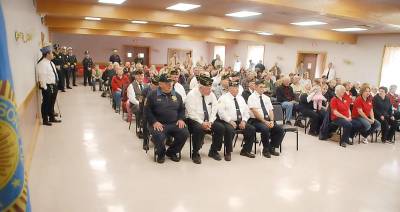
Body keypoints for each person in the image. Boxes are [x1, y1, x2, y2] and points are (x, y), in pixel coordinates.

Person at [145, 73, 189, 163]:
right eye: (166, 83)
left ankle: (172, 152)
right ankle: (160, 154)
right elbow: (147, 111)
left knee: (184, 133)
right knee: (159, 136)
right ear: (160, 84)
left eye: (171, 82)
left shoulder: (177, 95)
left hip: (174, 123)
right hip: (158, 123)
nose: (170, 84)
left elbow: (181, 109)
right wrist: (154, 122)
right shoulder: (152, 95)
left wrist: (181, 119)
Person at [185, 75, 225, 164]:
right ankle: (195, 153)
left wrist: (210, 121)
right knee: (198, 129)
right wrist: (202, 123)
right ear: (200, 87)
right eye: (208, 89)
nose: (210, 91)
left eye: (210, 88)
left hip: (208, 120)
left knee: (220, 128)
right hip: (194, 120)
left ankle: (213, 151)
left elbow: (215, 108)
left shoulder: (210, 94)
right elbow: (191, 113)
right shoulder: (191, 95)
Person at [217, 80, 256, 161]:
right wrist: (230, 121)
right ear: (229, 89)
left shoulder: (240, 98)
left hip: (240, 121)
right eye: (234, 88)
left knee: (251, 129)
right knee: (230, 130)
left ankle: (245, 150)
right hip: (227, 121)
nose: (236, 90)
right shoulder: (223, 98)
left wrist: (244, 121)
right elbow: (221, 112)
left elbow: (247, 111)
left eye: (237, 88)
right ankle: (228, 152)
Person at [248, 80, 284, 157]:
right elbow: (255, 112)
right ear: (256, 87)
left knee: (280, 130)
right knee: (265, 129)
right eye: (261, 87)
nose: (263, 89)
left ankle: (272, 147)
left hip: (267, 120)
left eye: (264, 87)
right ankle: (266, 149)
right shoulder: (251, 97)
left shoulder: (266, 98)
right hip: (255, 120)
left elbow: (270, 110)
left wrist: (271, 121)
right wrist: (264, 121)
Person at [37, 44, 61, 126]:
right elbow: (42, 77)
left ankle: (51, 117)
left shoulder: (51, 63)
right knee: (46, 103)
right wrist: (45, 87)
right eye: (52, 53)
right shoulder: (42, 64)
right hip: (47, 86)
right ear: (47, 54)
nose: (53, 54)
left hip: (54, 85)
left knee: (52, 103)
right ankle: (45, 119)